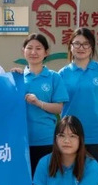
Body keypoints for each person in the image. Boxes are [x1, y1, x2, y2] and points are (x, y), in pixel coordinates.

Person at [58, 27, 98, 185]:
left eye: (86, 44)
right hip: (70, 135)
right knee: (71, 180)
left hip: (97, 134)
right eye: (76, 44)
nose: (81, 48)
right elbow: (58, 104)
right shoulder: (62, 74)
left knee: (95, 181)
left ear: (92, 47)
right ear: (70, 47)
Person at [20, 33, 68, 175]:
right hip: (21, 141)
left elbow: (59, 108)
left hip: (45, 140)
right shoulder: (17, 78)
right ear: (23, 51)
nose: (33, 52)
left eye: (38, 48)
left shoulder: (54, 77)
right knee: (24, 182)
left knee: (44, 181)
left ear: (46, 52)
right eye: (29, 48)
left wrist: (38, 102)